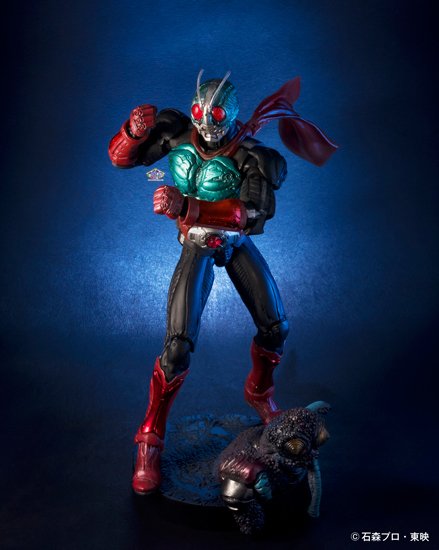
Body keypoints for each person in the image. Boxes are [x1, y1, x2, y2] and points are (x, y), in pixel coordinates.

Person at [108, 70, 337, 495]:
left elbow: (250, 215)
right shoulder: (177, 133)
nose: (205, 125)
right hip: (195, 243)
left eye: (214, 117)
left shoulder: (252, 157)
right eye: (199, 113)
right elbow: (122, 160)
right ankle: (149, 437)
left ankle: (259, 392)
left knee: (275, 327)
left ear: (230, 116)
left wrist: (187, 206)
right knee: (177, 346)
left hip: (231, 241)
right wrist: (132, 133)